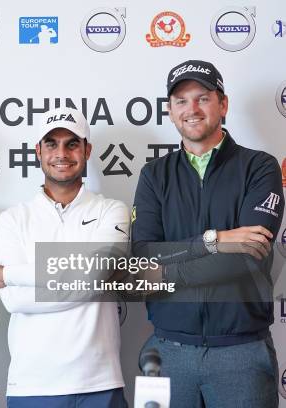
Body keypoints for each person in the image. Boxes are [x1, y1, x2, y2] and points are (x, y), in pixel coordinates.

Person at [132, 60, 285, 408]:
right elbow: (142, 256)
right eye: (182, 101)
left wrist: (168, 271)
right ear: (170, 112)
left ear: (223, 104)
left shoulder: (259, 167)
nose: (192, 109)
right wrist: (213, 241)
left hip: (241, 353)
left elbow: (246, 258)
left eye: (203, 97)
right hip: (169, 351)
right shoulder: (155, 175)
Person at [0, 107, 130, 408]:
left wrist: (8, 274)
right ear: (38, 151)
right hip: (32, 385)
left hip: (99, 382)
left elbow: (94, 274)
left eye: (72, 143)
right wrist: (82, 280)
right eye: (51, 143)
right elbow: (15, 301)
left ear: (87, 150)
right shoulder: (13, 218)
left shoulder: (111, 210)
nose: (62, 153)